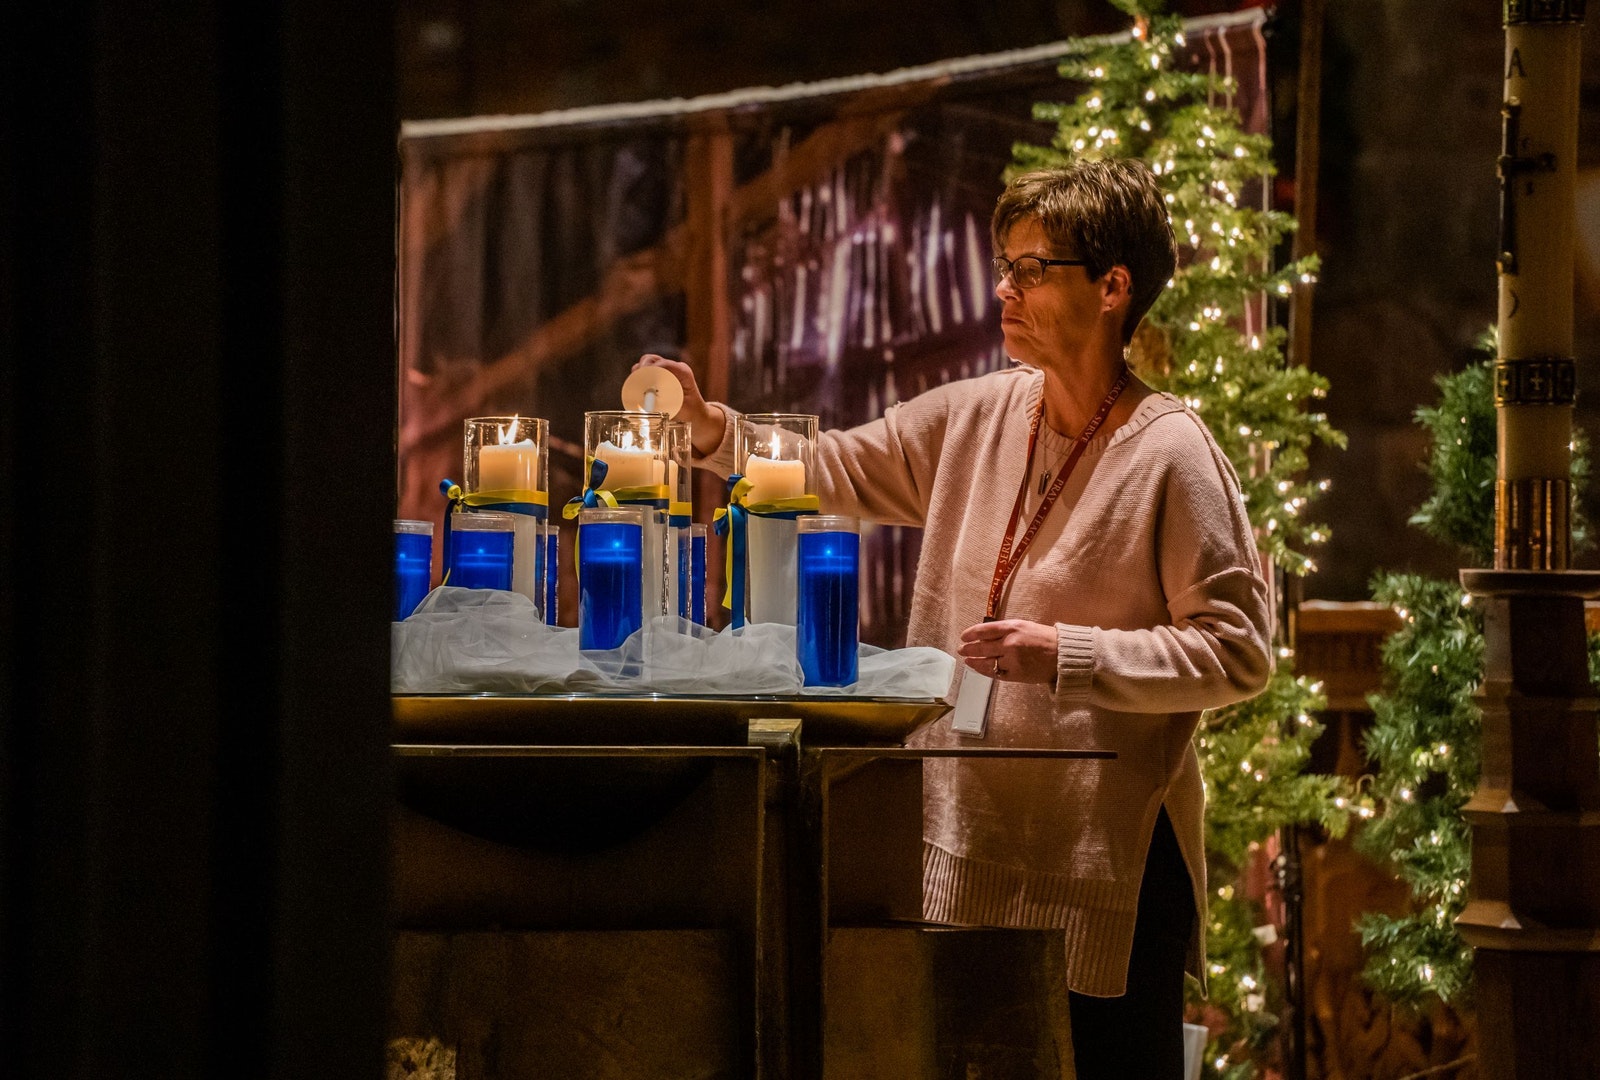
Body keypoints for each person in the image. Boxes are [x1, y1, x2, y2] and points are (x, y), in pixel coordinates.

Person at [638, 158, 1272, 1078]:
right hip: (967, 850)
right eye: (1003, 265)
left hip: (1104, 877)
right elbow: (837, 466)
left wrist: (1068, 653)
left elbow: (1238, 652)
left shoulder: (1171, 450)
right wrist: (709, 431)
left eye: (1030, 268)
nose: (1003, 290)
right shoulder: (978, 414)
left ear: (1112, 287)